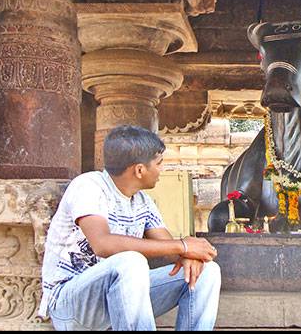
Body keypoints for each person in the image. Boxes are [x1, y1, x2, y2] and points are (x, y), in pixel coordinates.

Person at [38, 125, 221, 330]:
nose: (162, 169)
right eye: (159, 163)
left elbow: (169, 247)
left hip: (118, 299)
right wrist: (183, 247)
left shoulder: (143, 201)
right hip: (70, 304)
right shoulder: (88, 186)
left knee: (207, 272)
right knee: (131, 262)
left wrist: (189, 255)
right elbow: (102, 244)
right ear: (140, 170)